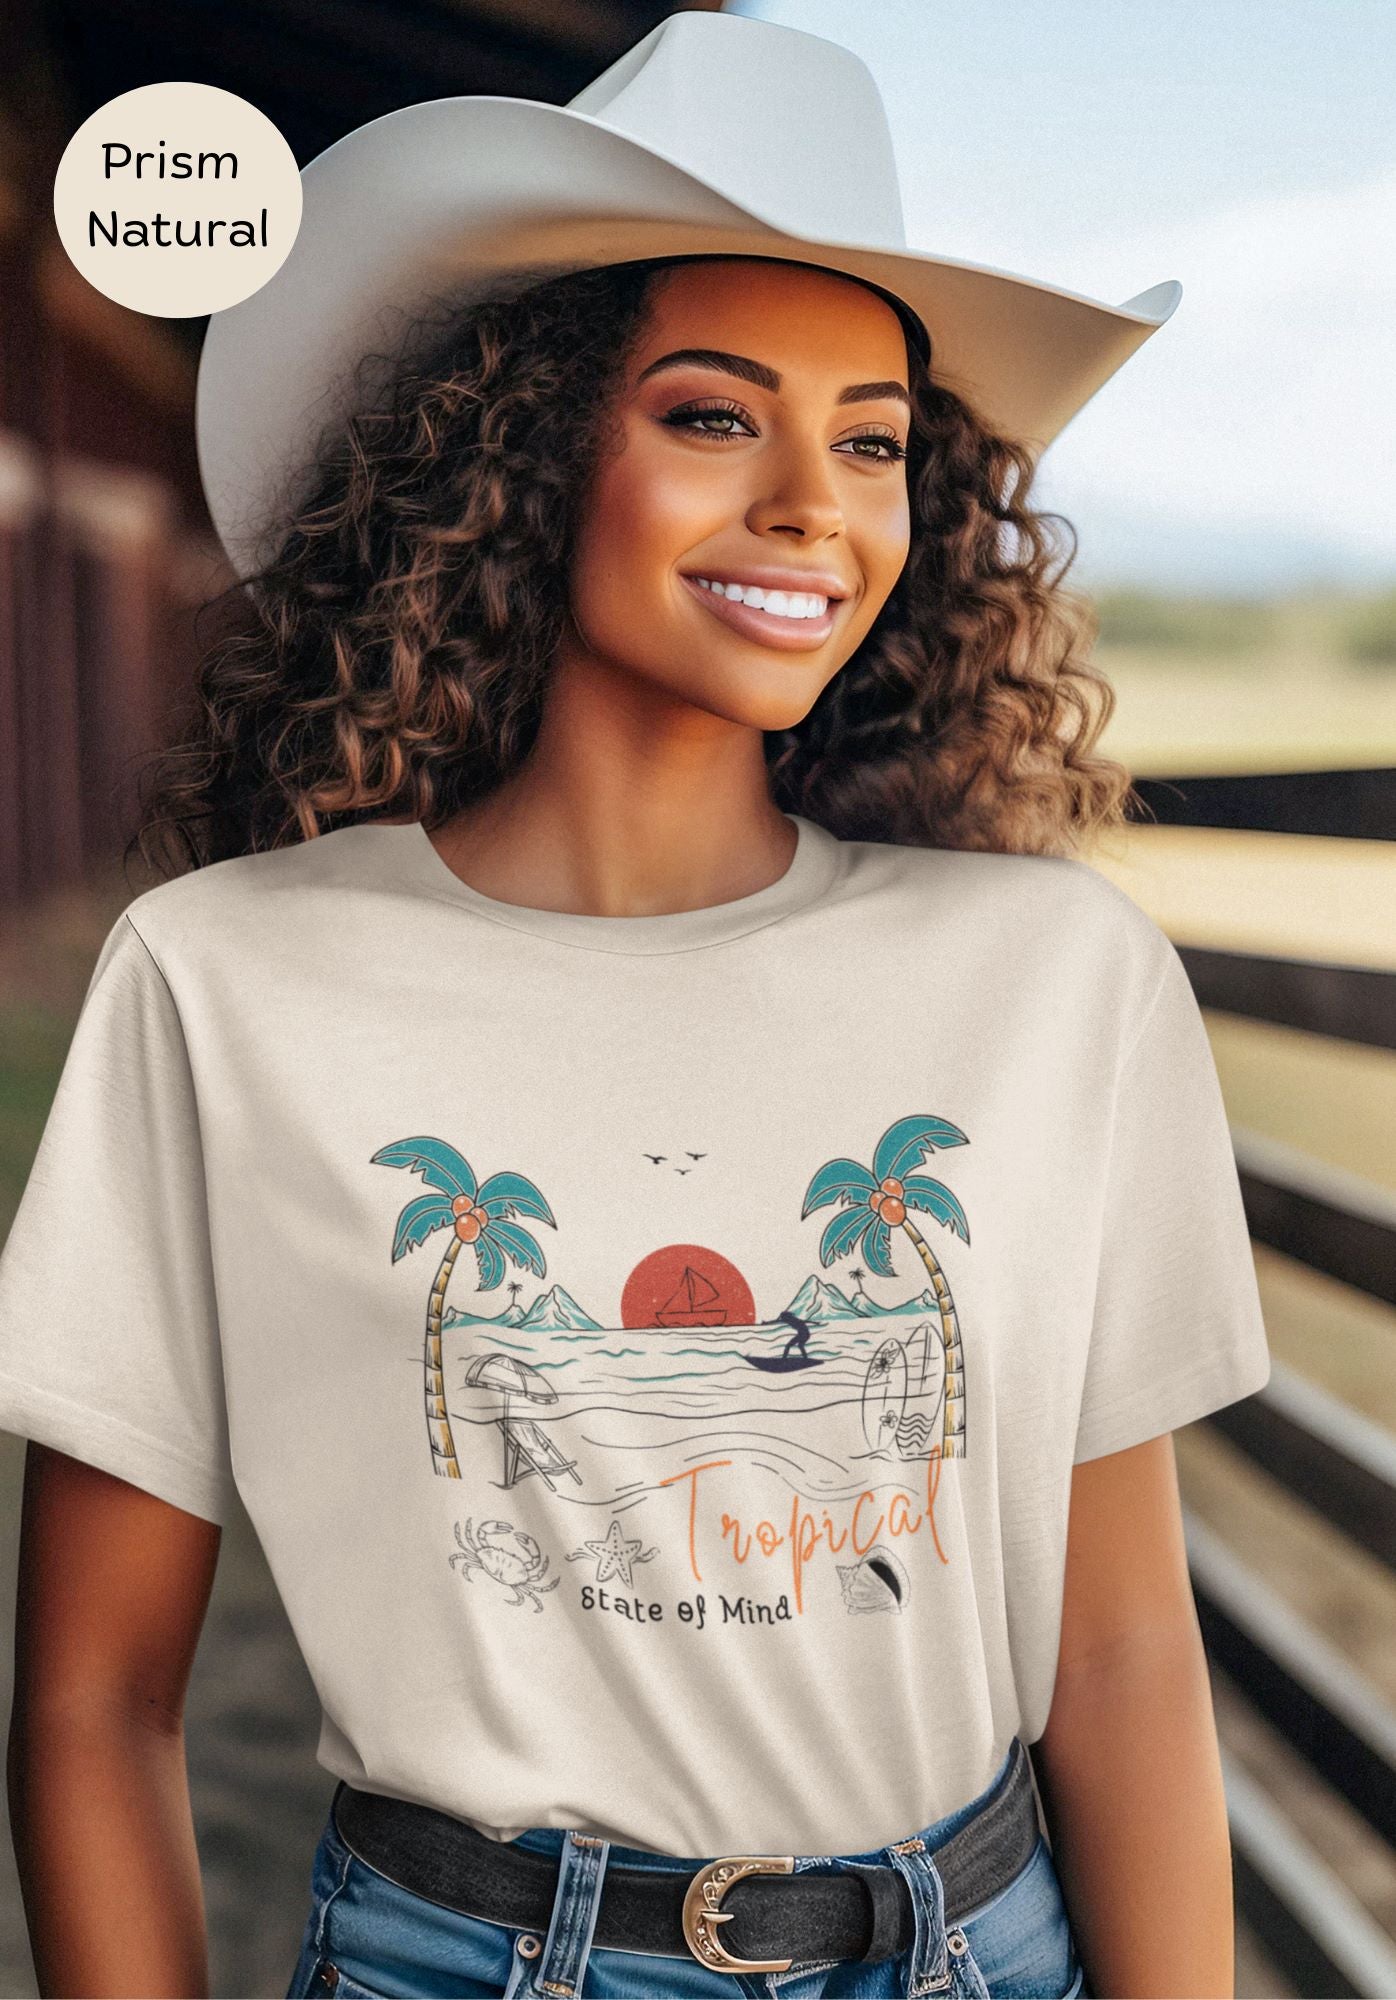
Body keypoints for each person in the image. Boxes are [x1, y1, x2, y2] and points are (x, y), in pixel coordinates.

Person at [0, 10, 1271, 1998]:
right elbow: (87, 1701)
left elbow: (1112, 1653)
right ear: (517, 452)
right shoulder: (225, 981)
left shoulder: (1052, 977)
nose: (808, 503)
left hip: (978, 1946)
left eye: (868, 440)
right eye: (710, 415)